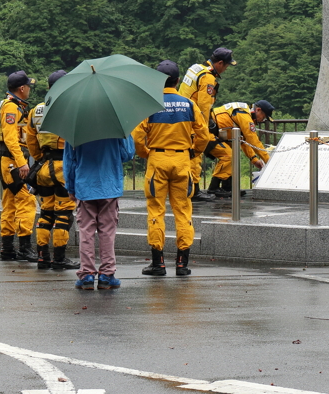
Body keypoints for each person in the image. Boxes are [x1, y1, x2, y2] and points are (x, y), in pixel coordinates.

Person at [132, 60, 211, 277]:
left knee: (156, 211)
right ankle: (182, 264)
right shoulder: (189, 104)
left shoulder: (149, 105)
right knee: (183, 211)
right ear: (177, 81)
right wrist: (193, 151)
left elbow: (138, 137)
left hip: (157, 160)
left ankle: (158, 264)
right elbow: (204, 135)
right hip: (182, 161)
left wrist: (146, 153)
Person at [64, 133, 134, 290]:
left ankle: (87, 274)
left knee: (86, 233)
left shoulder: (76, 129)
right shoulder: (114, 128)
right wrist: (127, 135)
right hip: (109, 186)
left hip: (85, 187)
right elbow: (127, 155)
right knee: (107, 232)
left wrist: (70, 187)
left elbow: (69, 160)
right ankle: (107, 275)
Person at [25, 70, 79, 271]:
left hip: (43, 169)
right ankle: (59, 258)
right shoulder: (71, 108)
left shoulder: (36, 111)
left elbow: (31, 141)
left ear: (49, 88)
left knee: (46, 213)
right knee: (64, 215)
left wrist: (40, 159)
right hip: (64, 168)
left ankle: (42, 257)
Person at [178, 47, 236, 201]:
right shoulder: (208, 78)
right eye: (226, 65)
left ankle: (191, 189)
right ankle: (194, 191)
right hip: (192, 121)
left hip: (182, 115)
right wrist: (203, 130)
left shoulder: (196, 69)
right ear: (220, 63)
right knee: (195, 156)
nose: (226, 69)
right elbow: (204, 106)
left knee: (189, 155)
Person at [0, 70, 38, 261]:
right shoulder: (11, 107)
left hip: (7, 162)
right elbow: (11, 139)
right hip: (12, 162)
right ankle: (25, 248)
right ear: (21, 88)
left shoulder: (10, 105)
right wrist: (22, 163)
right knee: (27, 200)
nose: (29, 89)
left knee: (10, 203)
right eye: (28, 86)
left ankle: (7, 248)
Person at [205, 100, 273, 196]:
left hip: (213, 133)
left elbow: (244, 141)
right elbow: (253, 140)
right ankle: (213, 187)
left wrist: (254, 160)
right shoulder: (243, 115)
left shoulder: (244, 113)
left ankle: (227, 187)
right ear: (258, 110)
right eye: (264, 117)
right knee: (229, 156)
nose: (263, 120)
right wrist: (269, 161)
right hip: (207, 132)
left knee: (232, 155)